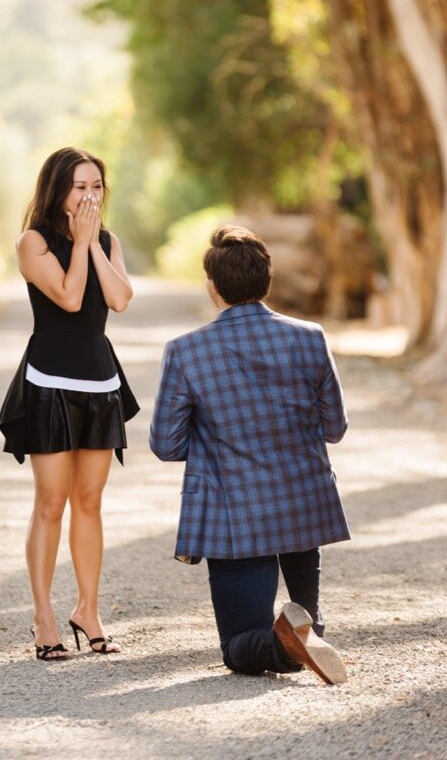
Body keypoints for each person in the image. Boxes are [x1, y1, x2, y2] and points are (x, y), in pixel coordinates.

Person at [149, 225, 350, 685]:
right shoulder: (310, 337)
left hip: (235, 519)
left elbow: (166, 445)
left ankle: (288, 645)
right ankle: (305, 635)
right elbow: (334, 428)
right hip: (304, 511)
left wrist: (212, 438)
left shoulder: (186, 352)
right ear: (268, 281)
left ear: (213, 287)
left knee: (240, 647)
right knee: (304, 624)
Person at [0, 147, 138, 661]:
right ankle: (44, 616)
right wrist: (79, 245)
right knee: (51, 502)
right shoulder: (31, 242)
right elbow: (71, 298)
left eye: (97, 186)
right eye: (80, 186)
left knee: (91, 501)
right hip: (49, 381)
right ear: (57, 190)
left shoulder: (108, 240)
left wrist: (95, 244)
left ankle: (89, 611)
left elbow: (119, 299)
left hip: (101, 383)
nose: (90, 195)